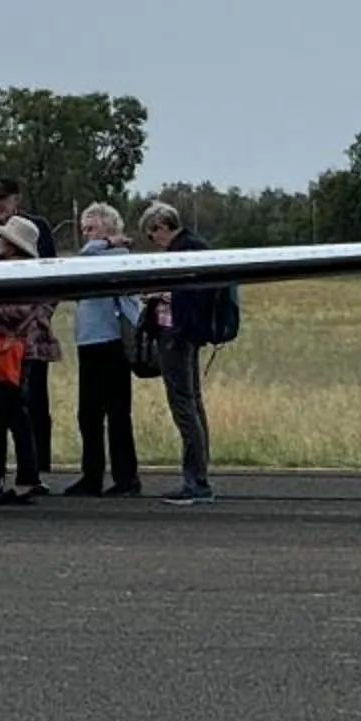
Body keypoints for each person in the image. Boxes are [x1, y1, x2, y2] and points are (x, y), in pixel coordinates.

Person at [0, 213, 59, 503]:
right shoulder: (29, 273)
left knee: (14, 413)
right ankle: (18, 475)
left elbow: (17, 312)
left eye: (4, 237)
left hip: (12, 352)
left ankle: (24, 478)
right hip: (19, 351)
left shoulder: (15, 274)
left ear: (12, 244)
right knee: (11, 413)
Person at [61, 201, 145, 497]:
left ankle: (126, 477)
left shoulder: (116, 257)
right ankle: (92, 474)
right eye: (84, 229)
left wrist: (107, 243)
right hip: (90, 342)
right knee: (88, 414)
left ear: (109, 229)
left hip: (111, 343)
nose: (87, 235)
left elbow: (84, 258)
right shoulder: (93, 256)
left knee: (118, 414)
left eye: (92, 228)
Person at [138, 199, 219, 505]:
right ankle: (198, 475)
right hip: (187, 335)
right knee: (193, 402)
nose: (154, 240)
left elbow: (189, 295)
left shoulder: (184, 252)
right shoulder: (196, 246)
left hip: (177, 335)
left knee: (184, 404)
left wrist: (159, 294)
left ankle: (195, 480)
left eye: (152, 234)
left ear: (162, 227)